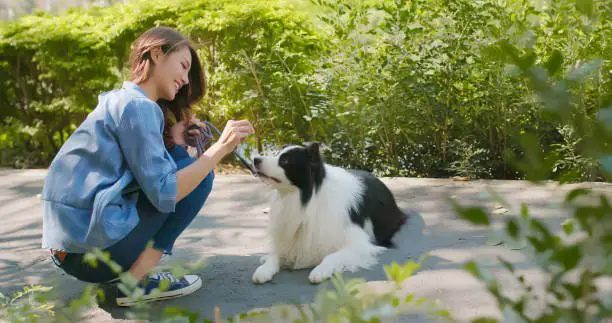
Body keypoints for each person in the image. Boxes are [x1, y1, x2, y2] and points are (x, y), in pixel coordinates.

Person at [40, 26, 255, 306]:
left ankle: (129, 278)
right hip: (92, 255)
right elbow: (166, 191)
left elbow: (130, 165)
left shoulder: (118, 100)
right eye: (183, 66)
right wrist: (220, 149)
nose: (186, 79)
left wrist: (174, 139)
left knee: (182, 162)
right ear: (156, 53)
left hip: (71, 251)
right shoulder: (139, 107)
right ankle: (134, 284)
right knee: (200, 177)